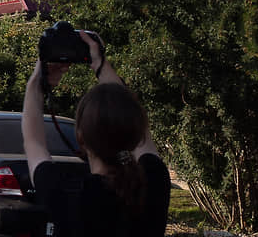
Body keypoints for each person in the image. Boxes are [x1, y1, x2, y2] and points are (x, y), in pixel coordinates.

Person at [22, 30, 171, 236]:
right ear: (136, 132)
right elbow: (132, 117)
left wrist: (37, 81)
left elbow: (33, 142)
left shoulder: (66, 193)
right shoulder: (153, 181)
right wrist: (100, 64)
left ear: (80, 137)